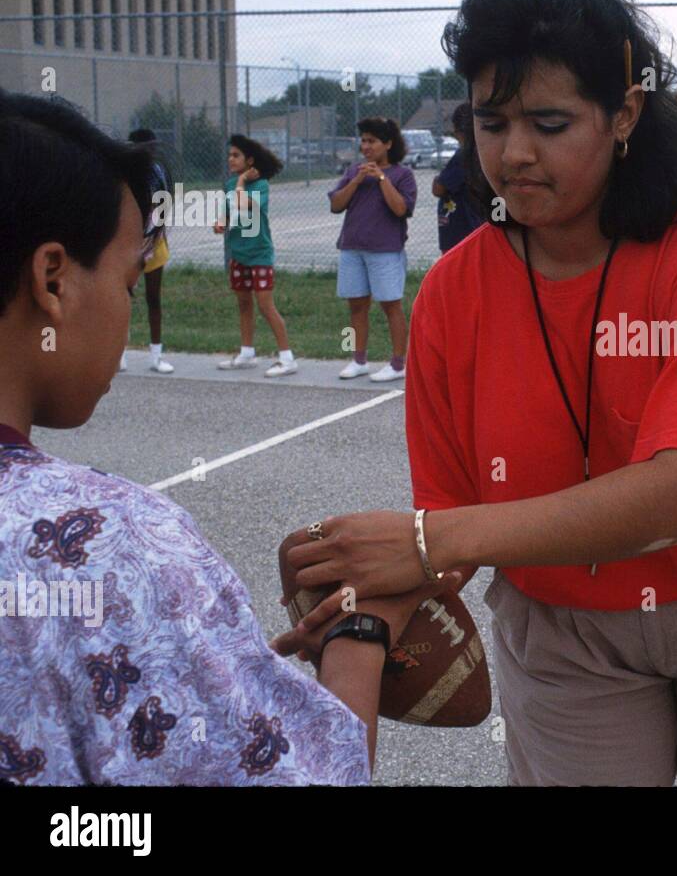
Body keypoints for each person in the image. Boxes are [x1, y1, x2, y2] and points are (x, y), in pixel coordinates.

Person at [275, 0, 677, 787]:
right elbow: (452, 526)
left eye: (549, 123)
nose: (513, 153)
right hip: (566, 619)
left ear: (625, 113)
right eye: (491, 122)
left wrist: (423, 541)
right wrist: (365, 605)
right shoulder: (453, 291)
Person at [0, 89, 422, 784]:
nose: (128, 310)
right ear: (53, 278)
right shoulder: (109, 545)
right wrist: (360, 629)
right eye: (130, 280)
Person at [328, 118, 418, 382]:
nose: (365, 146)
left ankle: (399, 364)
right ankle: (358, 360)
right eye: (363, 141)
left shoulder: (402, 175)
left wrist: (380, 177)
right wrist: (356, 181)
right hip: (352, 248)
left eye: (372, 141)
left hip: (386, 251)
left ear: (388, 144)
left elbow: (400, 209)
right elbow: (336, 205)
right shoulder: (353, 172)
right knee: (356, 306)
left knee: (391, 305)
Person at [213, 135, 297, 377]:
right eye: (229, 155)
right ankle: (247, 353)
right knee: (243, 304)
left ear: (249, 161)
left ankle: (287, 358)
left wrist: (240, 182)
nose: (230, 159)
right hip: (238, 254)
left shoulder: (260, 186)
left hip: (259, 254)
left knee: (265, 306)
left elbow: (242, 204)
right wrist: (220, 223)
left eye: (236, 155)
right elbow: (230, 213)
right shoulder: (230, 185)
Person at [119, 128, 174, 374]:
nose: (153, 151)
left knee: (154, 298)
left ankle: (156, 356)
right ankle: (119, 354)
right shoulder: (125, 174)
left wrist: (155, 233)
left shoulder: (159, 173)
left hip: (153, 240)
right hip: (128, 243)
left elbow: (164, 203)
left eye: (154, 147)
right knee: (123, 299)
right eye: (148, 147)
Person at [432, 102, 484, 253]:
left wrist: (438, 179)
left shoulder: (464, 155)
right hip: (475, 229)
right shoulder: (484, 154)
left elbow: (438, 189)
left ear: (458, 131)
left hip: (460, 233)